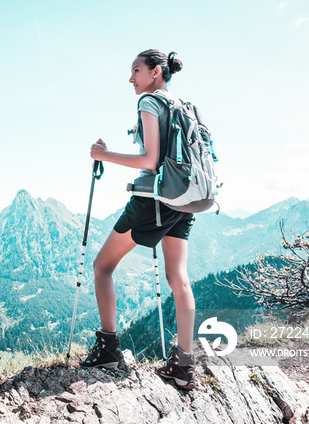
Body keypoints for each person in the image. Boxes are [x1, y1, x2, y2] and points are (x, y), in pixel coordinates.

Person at [80, 49, 197, 390]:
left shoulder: (149, 102)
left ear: (156, 72)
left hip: (153, 201)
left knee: (102, 266)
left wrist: (103, 155)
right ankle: (184, 366)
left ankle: (108, 348)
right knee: (180, 278)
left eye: (136, 71)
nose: (131, 78)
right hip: (185, 200)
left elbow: (149, 160)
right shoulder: (182, 105)